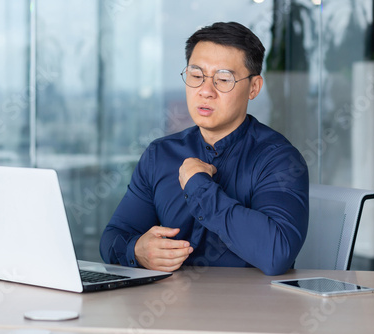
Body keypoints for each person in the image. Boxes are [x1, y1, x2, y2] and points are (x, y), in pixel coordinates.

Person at [99, 22, 309, 276]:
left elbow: (277, 254)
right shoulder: (160, 155)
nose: (205, 91)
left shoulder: (278, 159)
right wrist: (136, 250)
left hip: (250, 311)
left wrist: (199, 187)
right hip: (167, 310)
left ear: (254, 87)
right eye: (196, 76)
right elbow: (112, 237)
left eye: (223, 79)